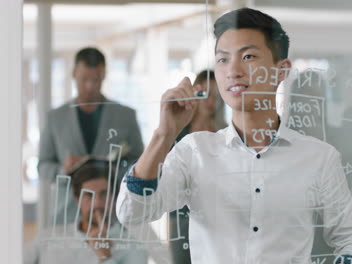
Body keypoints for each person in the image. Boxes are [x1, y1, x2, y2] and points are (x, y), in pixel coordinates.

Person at [116, 8, 352, 264]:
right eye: (223, 59)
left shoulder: (318, 158)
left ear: (281, 71)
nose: (233, 70)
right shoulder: (194, 151)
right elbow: (132, 212)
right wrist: (164, 135)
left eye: (248, 56)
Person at [38, 47, 144, 226]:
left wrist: (108, 171)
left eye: (96, 80)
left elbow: (139, 162)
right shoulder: (55, 117)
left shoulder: (126, 115)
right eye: (84, 79)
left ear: (104, 75)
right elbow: (43, 165)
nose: (90, 86)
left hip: (113, 215)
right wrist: (63, 170)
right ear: (73, 74)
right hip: (67, 215)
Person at [24, 161, 148, 264]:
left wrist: (106, 257)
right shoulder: (49, 238)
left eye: (104, 194)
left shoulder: (133, 247)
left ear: (115, 197)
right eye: (89, 195)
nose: (97, 204)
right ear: (78, 199)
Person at [169, 69, 227, 264]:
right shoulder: (177, 132)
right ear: (196, 93)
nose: (211, 101)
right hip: (181, 214)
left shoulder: (226, 134)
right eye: (207, 94)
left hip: (218, 213)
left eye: (217, 96)